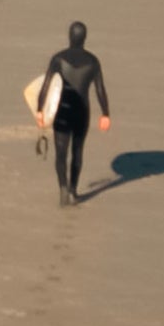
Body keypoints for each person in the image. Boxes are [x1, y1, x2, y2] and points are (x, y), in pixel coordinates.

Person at [36, 21, 111, 206]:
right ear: (84, 38)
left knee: (61, 153)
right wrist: (105, 114)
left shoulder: (58, 59)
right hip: (82, 113)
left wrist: (40, 110)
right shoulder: (93, 61)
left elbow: (46, 86)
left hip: (62, 112)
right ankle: (73, 191)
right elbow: (100, 90)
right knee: (77, 152)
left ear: (69, 36)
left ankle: (62, 188)